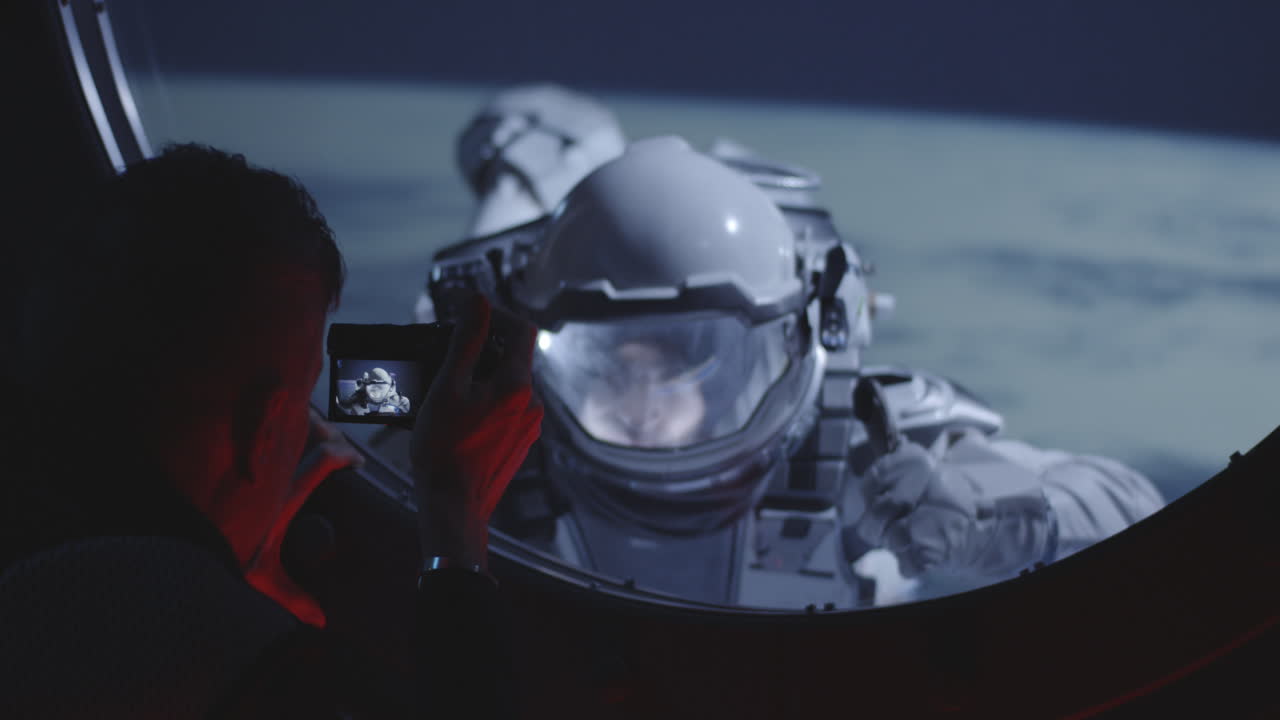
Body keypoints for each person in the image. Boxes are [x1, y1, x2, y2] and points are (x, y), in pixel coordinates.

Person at [404, 88, 1166, 610]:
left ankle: (545, 155)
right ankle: (538, 158)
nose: (640, 410)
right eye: (608, 367)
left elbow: (1137, 516)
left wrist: (985, 514)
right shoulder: (492, 449)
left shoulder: (862, 458)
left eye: (678, 367)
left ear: (777, 350)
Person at [1, 144, 541, 718]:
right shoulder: (226, 656)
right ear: (262, 429)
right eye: (305, 391)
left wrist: (231, 580)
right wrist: (455, 521)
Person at [338, 367, 413, 416]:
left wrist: (402, 401)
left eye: (380, 387)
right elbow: (345, 404)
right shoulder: (361, 395)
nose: (377, 392)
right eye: (374, 386)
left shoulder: (391, 396)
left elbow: (406, 409)